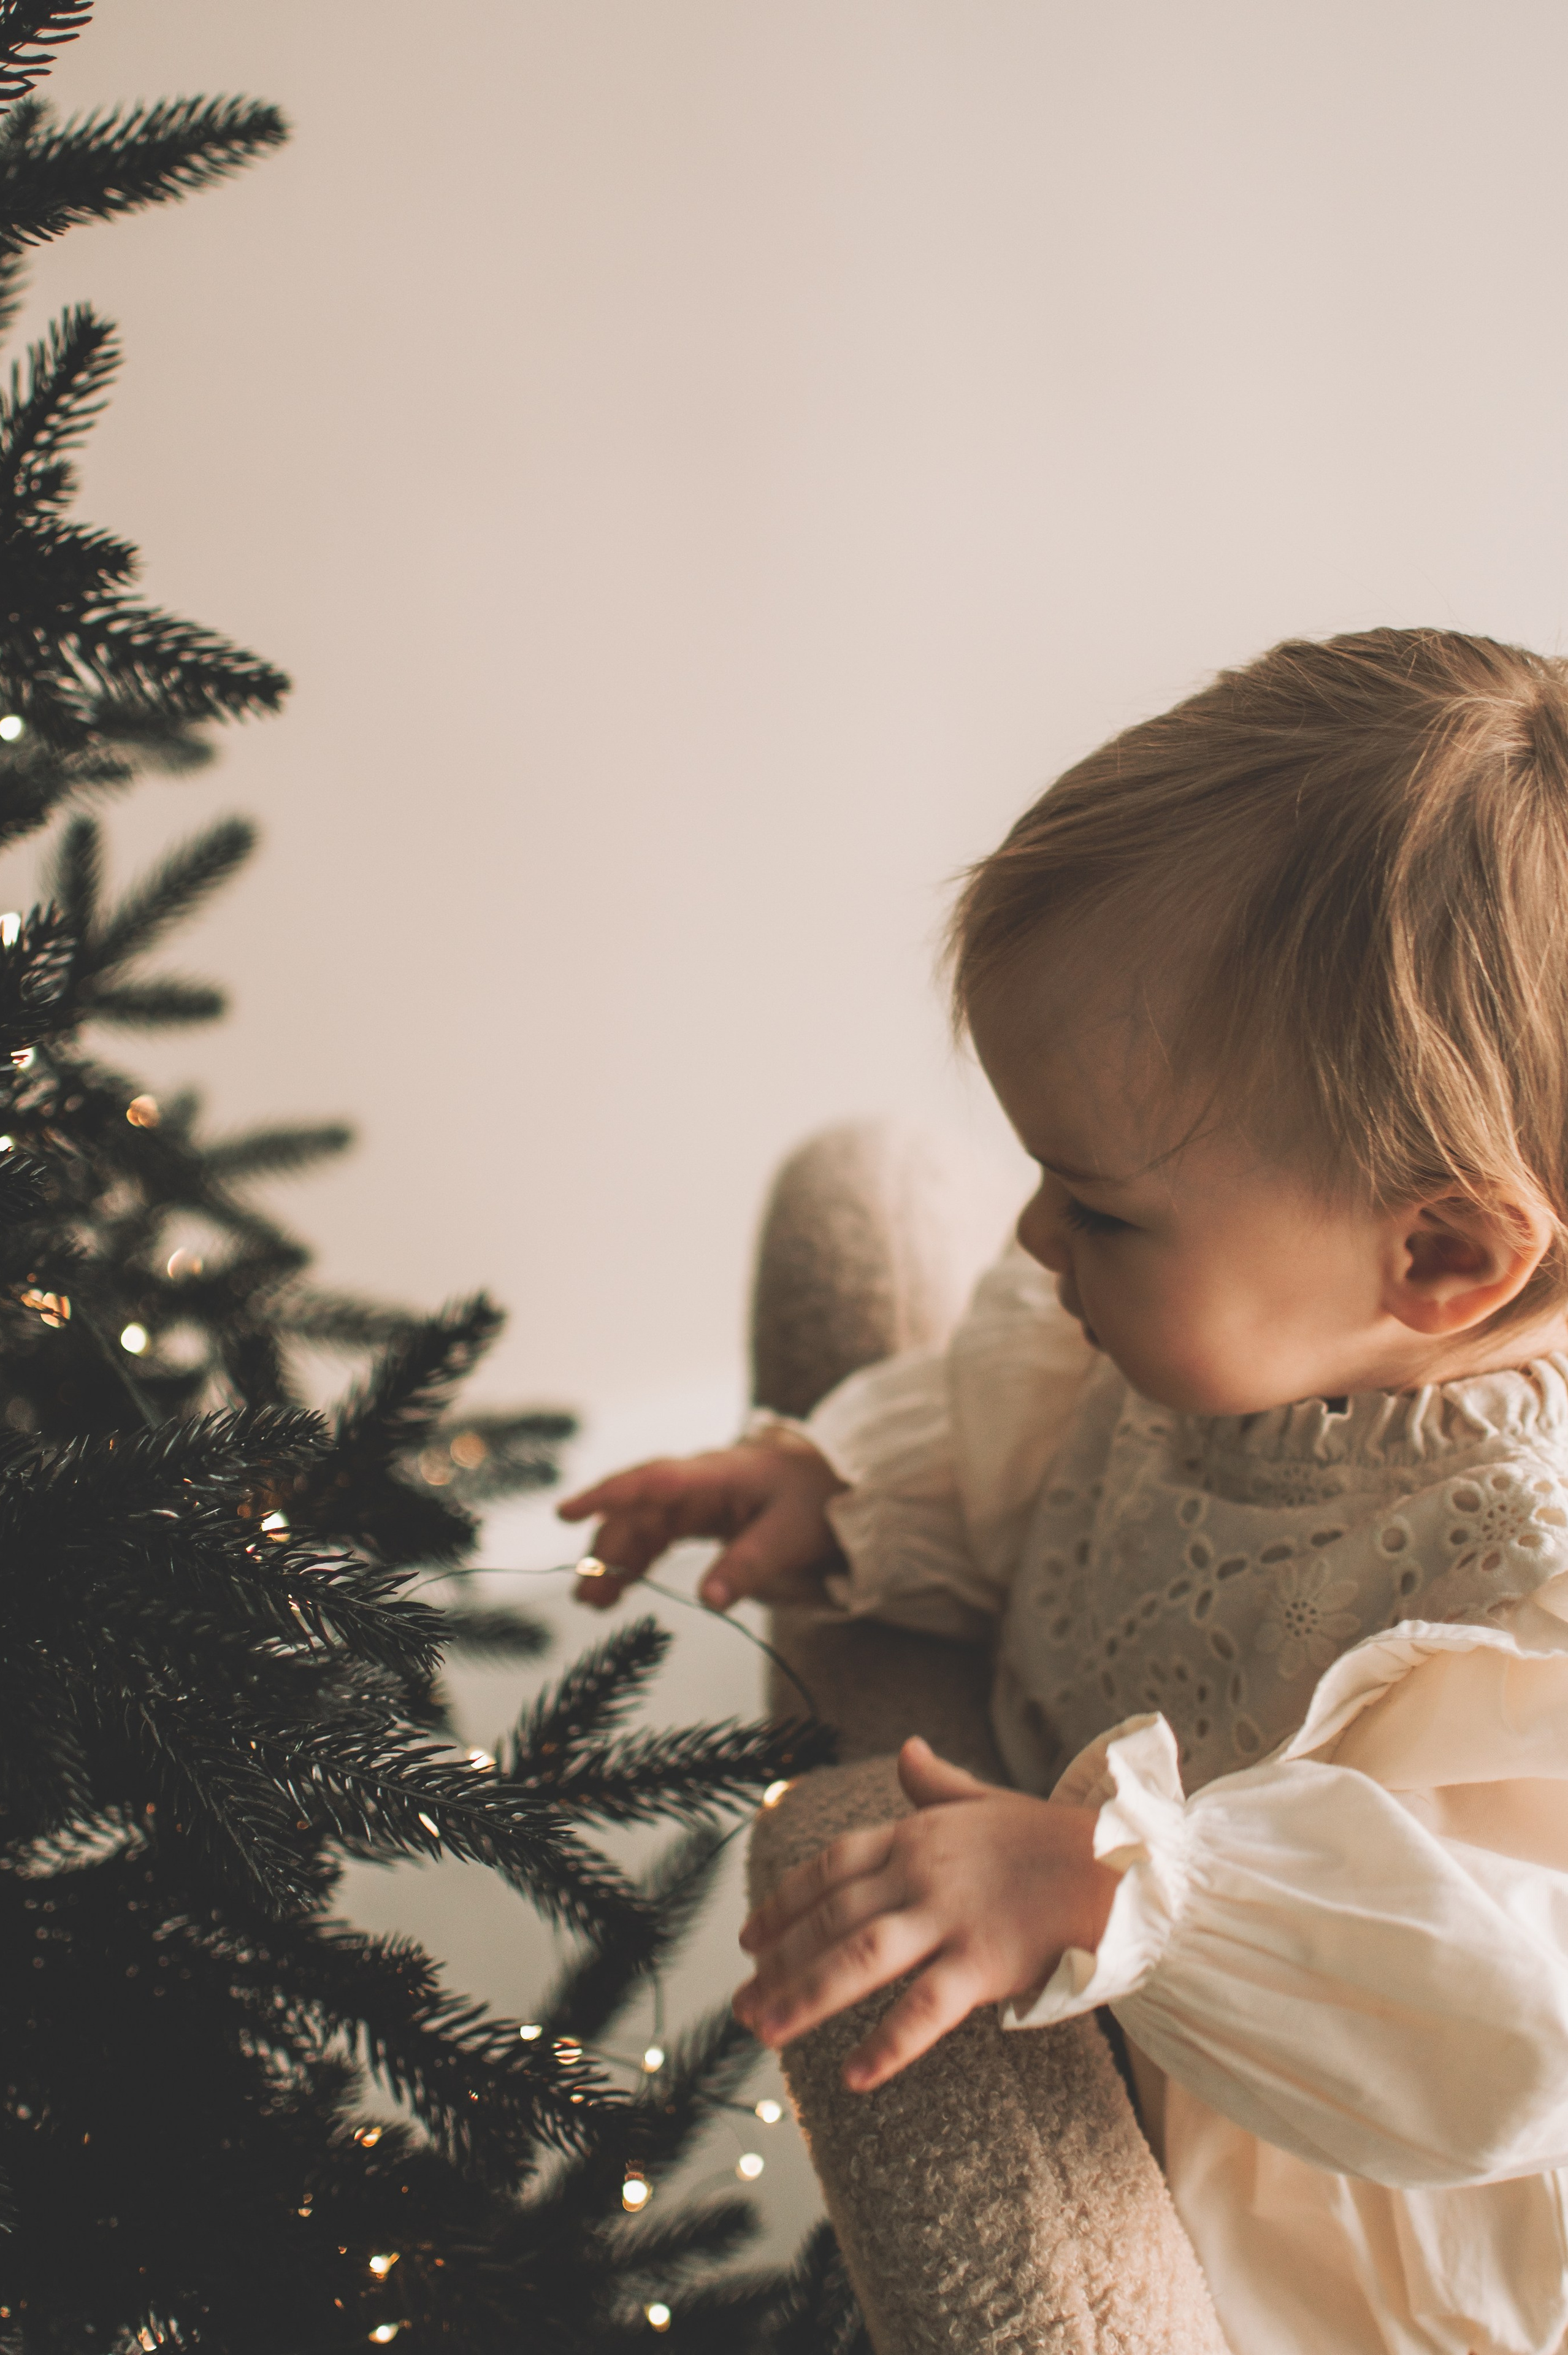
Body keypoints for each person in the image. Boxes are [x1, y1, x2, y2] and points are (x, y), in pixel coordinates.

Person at [560, 628, 1568, 2355]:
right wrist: (847, 1485)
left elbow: (1503, 2027)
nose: (1035, 1240)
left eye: (1098, 1206)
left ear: (1445, 1254)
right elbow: (1009, 1424)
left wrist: (1120, 1887)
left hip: (1321, 2229)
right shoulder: (1183, 1336)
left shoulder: (1518, 1596)